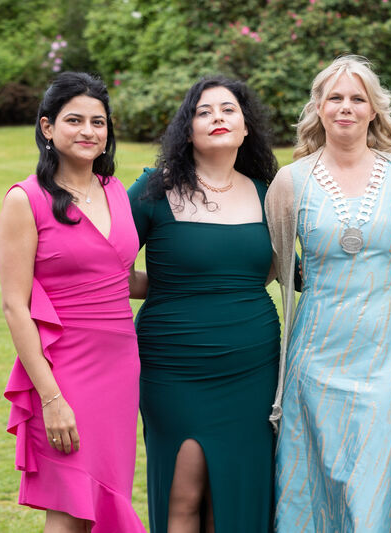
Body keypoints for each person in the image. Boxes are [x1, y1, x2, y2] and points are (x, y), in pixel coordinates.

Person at [265, 55, 391, 531]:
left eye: (357, 98)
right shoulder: (289, 182)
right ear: (318, 108)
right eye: (335, 98)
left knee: (378, 473)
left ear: (374, 110)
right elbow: (272, 266)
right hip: (318, 351)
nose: (346, 107)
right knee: (321, 475)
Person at [127, 76, 280, 532]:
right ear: (186, 128)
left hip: (252, 363)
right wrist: (176, 286)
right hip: (174, 362)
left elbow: (286, 268)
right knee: (184, 488)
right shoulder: (154, 190)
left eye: (228, 109)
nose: (217, 117)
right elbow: (109, 269)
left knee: (235, 491)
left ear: (246, 126)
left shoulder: (268, 192)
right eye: (204, 111)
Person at [0, 72, 146, 532]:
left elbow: (120, 280)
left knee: (103, 499)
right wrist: (51, 398)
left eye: (98, 123)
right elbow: (14, 306)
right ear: (47, 128)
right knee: (68, 511)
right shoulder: (27, 200)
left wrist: (210, 275)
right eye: (74, 120)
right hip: (63, 372)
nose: (88, 131)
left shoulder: (117, 192)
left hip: (120, 370)